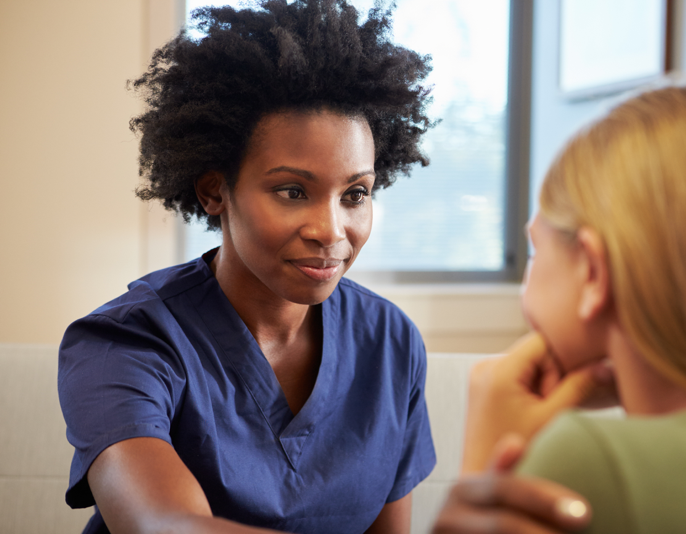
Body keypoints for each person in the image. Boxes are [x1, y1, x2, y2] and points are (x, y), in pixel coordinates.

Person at [58, 2, 439, 532]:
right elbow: (160, 525)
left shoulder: (390, 343)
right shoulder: (124, 344)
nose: (331, 230)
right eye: (292, 190)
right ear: (216, 190)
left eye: (355, 193)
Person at [459, 82, 686, 533]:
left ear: (593, 275)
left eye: (536, 252)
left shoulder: (588, 462)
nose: (527, 292)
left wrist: (486, 476)